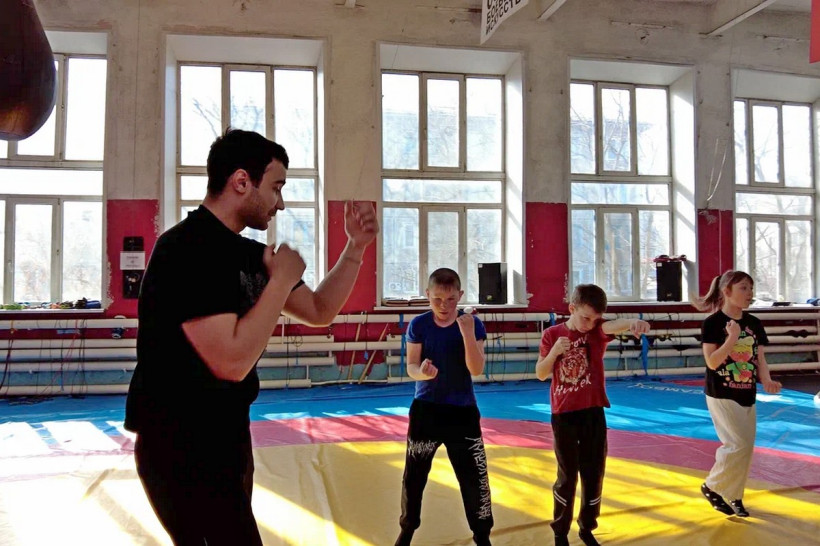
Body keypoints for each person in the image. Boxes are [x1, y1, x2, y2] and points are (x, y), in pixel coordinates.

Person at [124, 128, 379, 545]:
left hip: (226, 435)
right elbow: (230, 362)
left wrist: (355, 248)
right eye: (276, 187)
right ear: (242, 181)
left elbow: (319, 310)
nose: (280, 203)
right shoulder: (186, 249)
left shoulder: (246, 253)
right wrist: (278, 283)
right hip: (179, 443)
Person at [535, 284, 649, 546]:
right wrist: (554, 352)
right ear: (571, 309)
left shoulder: (596, 330)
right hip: (564, 415)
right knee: (567, 475)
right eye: (585, 317)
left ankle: (587, 527)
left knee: (594, 473)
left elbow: (613, 326)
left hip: (593, 412)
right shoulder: (552, 334)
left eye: (595, 319)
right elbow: (541, 373)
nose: (589, 324)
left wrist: (634, 322)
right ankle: (560, 531)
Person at [396, 268, 493, 546]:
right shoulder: (419, 324)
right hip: (426, 410)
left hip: (462, 412)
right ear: (427, 294)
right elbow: (411, 366)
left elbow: (476, 369)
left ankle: (482, 535)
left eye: (450, 299)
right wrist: (422, 373)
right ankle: (407, 529)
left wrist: (467, 334)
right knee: (414, 475)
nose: (443, 305)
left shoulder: (472, 324)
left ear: (460, 296)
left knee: (474, 477)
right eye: (437, 299)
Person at [695, 270, 781, 518]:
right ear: (727, 291)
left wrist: (766, 380)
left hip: (747, 391)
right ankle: (712, 486)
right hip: (722, 392)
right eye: (743, 288)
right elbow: (712, 362)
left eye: (751, 288)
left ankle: (734, 494)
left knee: (746, 447)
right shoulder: (713, 323)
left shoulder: (754, 323)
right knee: (737, 444)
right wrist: (732, 338)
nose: (749, 293)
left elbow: (759, 358)